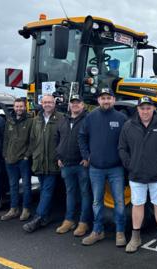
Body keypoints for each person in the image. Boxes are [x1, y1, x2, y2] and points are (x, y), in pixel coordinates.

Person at [118, 96, 157, 253]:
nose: (145, 111)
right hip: (136, 174)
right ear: (138, 109)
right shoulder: (128, 126)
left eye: (148, 108)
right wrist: (129, 165)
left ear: (153, 109)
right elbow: (122, 148)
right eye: (142, 108)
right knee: (137, 205)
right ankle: (135, 237)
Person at [79, 88, 128, 247]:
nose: (106, 101)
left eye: (109, 98)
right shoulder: (90, 117)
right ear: (98, 100)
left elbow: (128, 141)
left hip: (116, 169)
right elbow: (82, 137)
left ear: (114, 100)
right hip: (96, 169)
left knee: (119, 201)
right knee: (96, 201)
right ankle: (97, 231)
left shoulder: (121, 118)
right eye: (103, 98)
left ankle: (120, 232)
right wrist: (86, 156)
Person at [22, 94, 64, 233]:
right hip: (39, 162)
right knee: (45, 190)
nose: (47, 104)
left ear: (54, 103)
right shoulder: (36, 120)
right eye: (45, 102)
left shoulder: (61, 118)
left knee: (46, 190)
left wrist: (60, 157)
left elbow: (63, 140)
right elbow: (33, 140)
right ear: (41, 103)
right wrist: (31, 156)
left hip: (53, 162)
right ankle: (46, 217)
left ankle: (38, 218)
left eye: (50, 102)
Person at [55, 94, 92, 237]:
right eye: (73, 103)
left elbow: (93, 139)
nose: (75, 105)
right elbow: (57, 139)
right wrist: (58, 156)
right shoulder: (63, 120)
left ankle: (83, 222)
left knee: (85, 194)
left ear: (83, 105)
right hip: (66, 163)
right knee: (70, 193)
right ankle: (69, 220)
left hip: (81, 164)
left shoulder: (88, 120)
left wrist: (87, 157)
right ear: (69, 105)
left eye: (78, 103)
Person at [1, 98, 33, 221]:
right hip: (10, 159)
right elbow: (6, 139)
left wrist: (27, 155)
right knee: (13, 185)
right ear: (14, 108)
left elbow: (33, 140)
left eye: (21, 106)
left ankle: (26, 209)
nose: (19, 108)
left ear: (25, 107)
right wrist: (5, 154)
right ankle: (13, 209)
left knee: (26, 185)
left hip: (23, 160)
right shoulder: (10, 121)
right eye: (17, 106)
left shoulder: (30, 121)